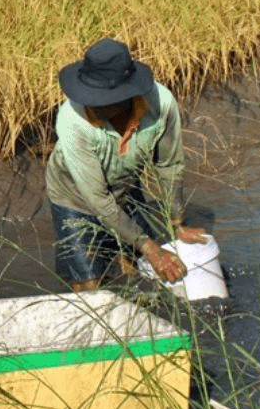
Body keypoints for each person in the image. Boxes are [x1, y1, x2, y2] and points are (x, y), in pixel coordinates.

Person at [46, 38, 207, 292]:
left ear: (128, 95)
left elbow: (170, 165)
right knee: (90, 286)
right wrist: (151, 248)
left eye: (102, 99)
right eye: (89, 96)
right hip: (75, 198)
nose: (91, 104)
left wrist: (177, 222)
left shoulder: (161, 104)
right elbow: (98, 200)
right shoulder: (72, 121)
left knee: (135, 268)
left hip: (124, 185)